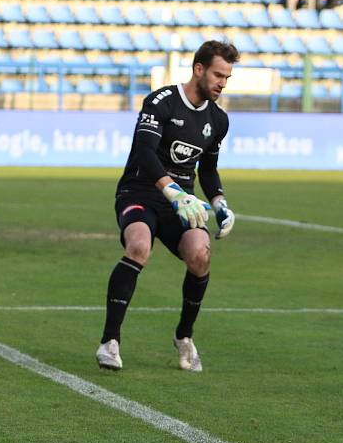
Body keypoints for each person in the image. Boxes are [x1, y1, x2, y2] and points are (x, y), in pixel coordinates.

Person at [95, 40, 239, 372]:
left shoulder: (218, 120)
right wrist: (173, 191)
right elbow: (144, 152)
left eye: (227, 77)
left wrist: (219, 203)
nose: (222, 83)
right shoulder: (161, 101)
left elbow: (209, 168)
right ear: (199, 69)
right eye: (218, 74)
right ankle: (110, 342)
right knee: (139, 246)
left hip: (181, 204)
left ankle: (184, 337)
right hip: (140, 192)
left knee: (200, 254)